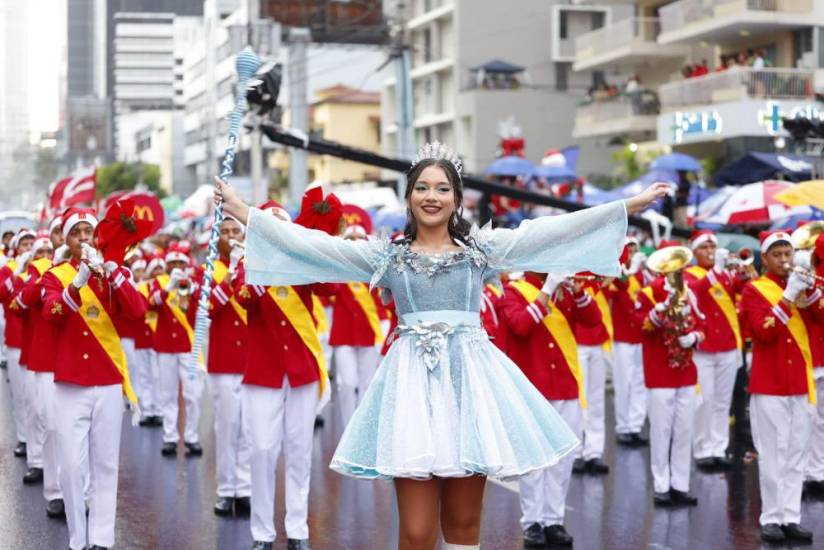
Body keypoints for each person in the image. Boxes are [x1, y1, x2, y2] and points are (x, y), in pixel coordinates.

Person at [215, 140, 668, 550]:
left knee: (464, 524)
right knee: (414, 532)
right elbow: (314, 248)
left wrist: (626, 205)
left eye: (443, 188)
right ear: (410, 196)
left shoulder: (481, 252)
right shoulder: (386, 256)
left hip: (469, 388)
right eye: (422, 188)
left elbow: (547, 233)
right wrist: (242, 210)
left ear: (456, 198)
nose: (432, 196)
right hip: (410, 390)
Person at [41, 208, 147, 550]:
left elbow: (139, 311)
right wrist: (79, 281)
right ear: (67, 239)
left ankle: (102, 539)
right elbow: (52, 314)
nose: (84, 238)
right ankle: (77, 540)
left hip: (107, 381)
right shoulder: (54, 276)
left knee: (105, 464)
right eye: (77, 233)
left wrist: (114, 274)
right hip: (70, 383)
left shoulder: (114, 272)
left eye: (89, 232)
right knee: (71, 466)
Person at [233, 199, 334, 550]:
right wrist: (257, 265)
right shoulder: (246, 264)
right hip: (263, 372)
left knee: (299, 451)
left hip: (301, 371)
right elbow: (243, 297)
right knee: (261, 450)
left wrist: (314, 245)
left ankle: (298, 528)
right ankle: (262, 532)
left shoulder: (301, 261)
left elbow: (330, 288)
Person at [499, 272, 600, 547]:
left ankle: (553, 520)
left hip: (566, 384)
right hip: (533, 387)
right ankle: (532, 522)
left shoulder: (565, 292)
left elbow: (594, 320)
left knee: (563, 458)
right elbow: (520, 326)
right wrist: (547, 289)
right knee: (535, 459)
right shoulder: (513, 291)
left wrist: (579, 292)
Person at [741, 231, 819, 543]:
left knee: (798, 451)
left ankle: (790, 516)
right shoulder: (753, 290)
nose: (785, 260)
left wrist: (810, 291)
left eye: (788, 253)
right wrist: (787, 296)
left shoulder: (802, 285)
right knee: (773, 453)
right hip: (769, 382)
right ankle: (771, 517)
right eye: (777, 255)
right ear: (765, 259)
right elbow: (763, 332)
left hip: (800, 380)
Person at [634, 243, 703, 507]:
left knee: (685, 429)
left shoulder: (691, 292)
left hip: (686, 371)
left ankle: (680, 485)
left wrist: (694, 336)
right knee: (662, 430)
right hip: (660, 370)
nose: (677, 271)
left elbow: (703, 322)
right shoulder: (648, 293)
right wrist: (660, 309)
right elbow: (642, 326)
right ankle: (661, 484)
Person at [683, 231, 746, 470]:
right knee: (704, 400)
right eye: (704, 247)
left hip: (728, 345)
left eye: (712, 246)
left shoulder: (726, 274)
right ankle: (702, 449)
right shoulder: (688, 274)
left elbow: (742, 291)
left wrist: (742, 272)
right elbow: (694, 292)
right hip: (704, 347)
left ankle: (719, 447)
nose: (709, 251)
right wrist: (717, 271)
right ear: (694, 251)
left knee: (722, 401)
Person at [13, 230, 64, 518]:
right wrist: (36, 273)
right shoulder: (30, 277)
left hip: (69, 359)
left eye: (48, 253)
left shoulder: (67, 271)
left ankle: (77, 489)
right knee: (44, 419)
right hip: (42, 358)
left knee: (69, 428)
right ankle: (49, 481)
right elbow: (20, 303)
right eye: (39, 254)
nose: (45, 258)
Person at [206, 217, 252, 517]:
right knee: (226, 427)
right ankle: (225, 489)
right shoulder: (208, 269)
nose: (231, 236)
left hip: (251, 357)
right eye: (225, 232)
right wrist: (231, 273)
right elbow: (209, 307)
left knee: (248, 427)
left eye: (236, 231)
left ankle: (245, 488)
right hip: (222, 359)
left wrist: (243, 268)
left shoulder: (257, 267)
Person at [148, 242, 203, 457]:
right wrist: (168, 287)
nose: (178, 265)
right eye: (173, 262)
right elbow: (151, 305)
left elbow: (201, 308)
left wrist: (194, 289)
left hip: (189, 347)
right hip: (165, 347)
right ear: (167, 265)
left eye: (181, 262)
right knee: (168, 394)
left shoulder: (194, 283)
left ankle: (191, 436)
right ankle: (170, 437)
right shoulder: (158, 282)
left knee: (193, 394)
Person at [607, 238, 650, 446]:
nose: (632, 253)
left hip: (640, 335)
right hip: (623, 336)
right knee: (623, 383)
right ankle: (623, 426)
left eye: (634, 249)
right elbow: (620, 285)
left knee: (640, 383)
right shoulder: (616, 273)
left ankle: (635, 425)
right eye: (628, 250)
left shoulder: (642, 276)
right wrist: (630, 269)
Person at [572, 273, 613, 475]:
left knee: (597, 400)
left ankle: (594, 452)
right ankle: (576, 451)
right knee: (581, 400)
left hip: (597, 340)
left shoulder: (597, 271)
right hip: (576, 341)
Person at [0, 228, 36, 458]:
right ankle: (24, 438)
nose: (29, 248)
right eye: (24, 244)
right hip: (16, 340)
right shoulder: (8, 269)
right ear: (16, 248)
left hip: (41, 343)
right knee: (22, 395)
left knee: (41, 400)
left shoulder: (48, 268)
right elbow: (2, 294)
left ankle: (42, 446)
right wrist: (18, 273)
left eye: (31, 243)